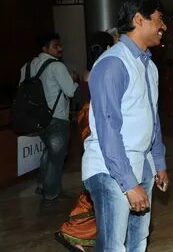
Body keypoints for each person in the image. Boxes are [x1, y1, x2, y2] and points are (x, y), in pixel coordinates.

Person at [81, 0, 169, 251]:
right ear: (139, 20)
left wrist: (159, 163)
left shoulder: (149, 65)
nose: (162, 27)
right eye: (159, 20)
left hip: (142, 164)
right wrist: (128, 183)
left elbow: (152, 118)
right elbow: (108, 130)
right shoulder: (113, 63)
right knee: (113, 246)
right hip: (111, 169)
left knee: (138, 240)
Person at [54, 30, 116, 252]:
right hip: (95, 120)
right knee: (103, 178)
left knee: (99, 178)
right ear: (107, 47)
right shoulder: (106, 69)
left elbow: (79, 96)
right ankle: (74, 229)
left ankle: (78, 230)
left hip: (84, 118)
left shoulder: (87, 71)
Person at [20, 32, 78, 201]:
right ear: (45, 48)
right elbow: (71, 91)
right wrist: (73, 79)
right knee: (57, 157)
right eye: (55, 46)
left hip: (36, 118)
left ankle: (42, 185)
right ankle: (51, 192)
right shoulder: (57, 66)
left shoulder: (27, 66)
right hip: (56, 118)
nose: (60, 49)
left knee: (49, 151)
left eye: (60, 45)